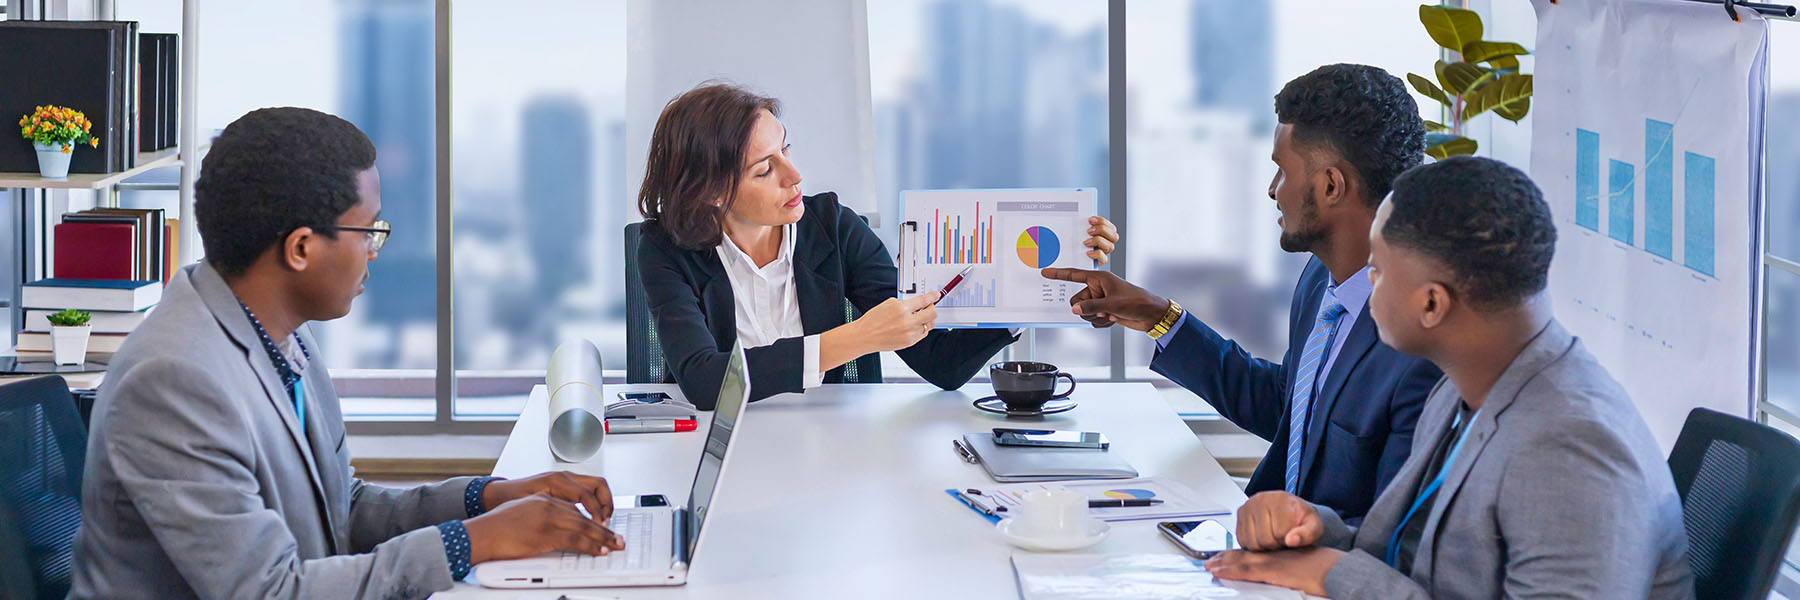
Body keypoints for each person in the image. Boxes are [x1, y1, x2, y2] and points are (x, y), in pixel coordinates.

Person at [70, 108, 630, 599]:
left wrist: (489, 498)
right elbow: (271, 591)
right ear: (301, 248)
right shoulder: (173, 381)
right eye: (368, 231)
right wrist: (473, 542)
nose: (374, 251)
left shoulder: (281, 332)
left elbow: (341, 509)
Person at [1206, 156, 1694, 599]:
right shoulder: (1465, 387)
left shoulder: (1571, 447)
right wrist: (1318, 532)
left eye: (1376, 271)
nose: (1366, 288)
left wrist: (1335, 572)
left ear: (1432, 303)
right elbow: (1423, 562)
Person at [1042, 64, 1440, 521]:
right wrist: (1159, 317)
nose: (1273, 191)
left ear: (1331, 185)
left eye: (1281, 172)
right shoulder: (1319, 281)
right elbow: (1287, 409)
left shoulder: (1416, 342)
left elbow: (1394, 536)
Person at [636, 82, 1120, 406]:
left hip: (830, 447)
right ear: (713, 191)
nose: (794, 175)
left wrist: (1029, 290)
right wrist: (859, 337)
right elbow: (703, 380)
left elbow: (941, 364)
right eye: (765, 169)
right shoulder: (665, 247)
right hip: (721, 451)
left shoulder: (833, 227)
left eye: (786, 149)